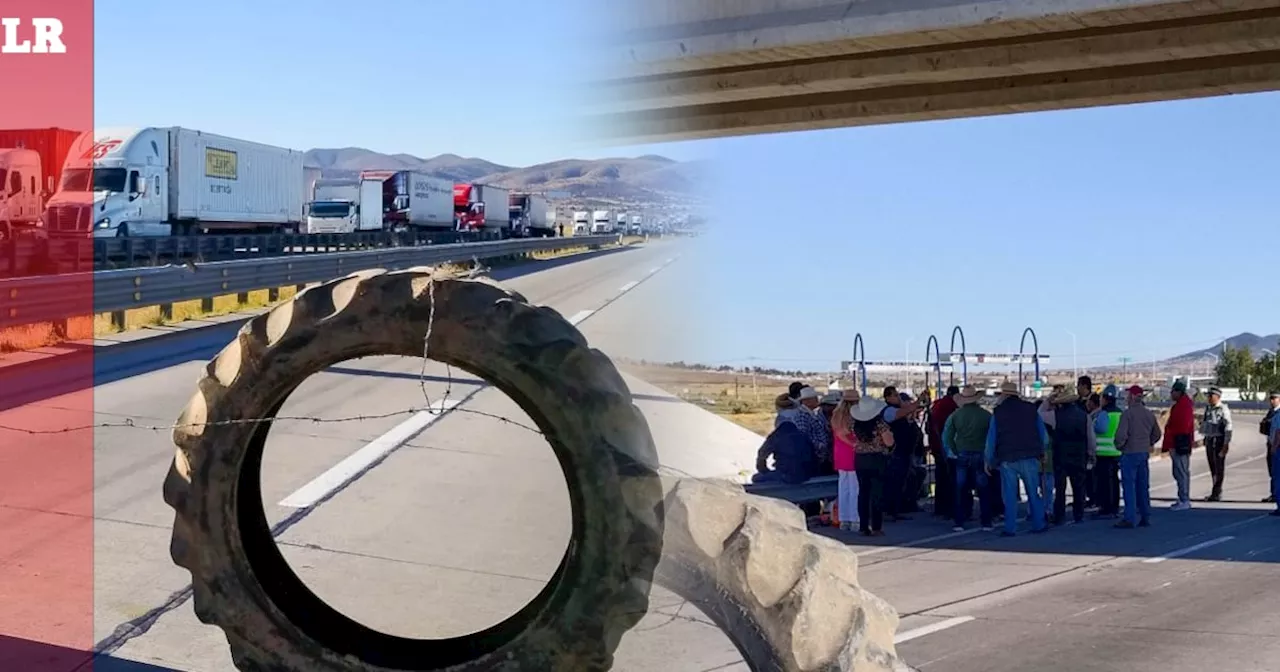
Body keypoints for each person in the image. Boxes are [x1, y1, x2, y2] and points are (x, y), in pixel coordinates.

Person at [984, 381, 1049, 537]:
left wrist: (988, 459)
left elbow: (991, 439)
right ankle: (1039, 523)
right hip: (1030, 456)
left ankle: (1010, 527)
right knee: (1033, 492)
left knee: (1010, 494)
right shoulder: (1031, 409)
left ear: (1005, 395)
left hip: (1007, 458)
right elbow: (1043, 434)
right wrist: (1043, 451)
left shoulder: (998, 413)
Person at [942, 385, 993, 531]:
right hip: (980, 453)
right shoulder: (986, 415)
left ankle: (959, 521)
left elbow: (947, 436)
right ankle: (986, 522)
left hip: (962, 453)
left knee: (960, 488)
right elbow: (992, 436)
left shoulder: (956, 415)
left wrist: (953, 451)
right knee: (983, 488)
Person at [1113, 385, 1161, 529]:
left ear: (1133, 396)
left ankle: (1129, 518)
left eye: (1128, 395)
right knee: (1142, 486)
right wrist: (1148, 442)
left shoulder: (1127, 414)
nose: (1126, 398)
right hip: (1143, 453)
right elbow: (1157, 434)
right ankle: (1145, 516)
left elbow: (1121, 435)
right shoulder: (1149, 414)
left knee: (1129, 487)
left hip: (1129, 453)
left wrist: (1120, 445)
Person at [1046, 388, 1094, 525]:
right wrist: (1091, 453)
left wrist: (1049, 401)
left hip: (1061, 455)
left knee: (1060, 488)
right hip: (1079, 454)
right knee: (1079, 487)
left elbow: (1039, 414)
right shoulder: (1084, 416)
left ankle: (1059, 516)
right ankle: (1079, 514)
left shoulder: (1055, 415)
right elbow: (1090, 437)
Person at [852, 394, 895, 536]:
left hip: (860, 459)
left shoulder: (855, 424)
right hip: (877, 459)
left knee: (863, 493)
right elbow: (888, 441)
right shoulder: (880, 424)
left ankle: (863, 526)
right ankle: (876, 526)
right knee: (876, 493)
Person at [880, 386, 922, 522]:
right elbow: (905, 411)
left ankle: (896, 508)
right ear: (887, 397)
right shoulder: (890, 411)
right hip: (896, 453)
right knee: (894, 481)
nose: (897, 397)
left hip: (903, 452)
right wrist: (918, 401)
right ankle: (890, 510)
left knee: (900, 481)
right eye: (895, 395)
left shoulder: (896, 410)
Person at [754, 394, 817, 484]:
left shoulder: (777, 435)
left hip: (785, 475)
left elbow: (762, 453)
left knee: (756, 478)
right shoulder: (803, 434)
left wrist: (764, 470)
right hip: (804, 475)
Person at [830, 388, 861, 530]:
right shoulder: (854, 415)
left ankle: (844, 519)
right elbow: (846, 434)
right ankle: (855, 518)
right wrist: (855, 444)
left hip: (840, 452)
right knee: (855, 487)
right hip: (852, 451)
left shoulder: (836, 415)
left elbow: (838, 433)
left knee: (843, 486)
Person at [1162, 379, 1196, 510]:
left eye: (1173, 391)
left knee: (1181, 471)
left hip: (1180, 444)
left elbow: (1181, 426)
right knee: (1179, 471)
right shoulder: (1181, 405)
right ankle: (1182, 497)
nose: (1171, 394)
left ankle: (1184, 498)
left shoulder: (1183, 406)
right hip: (1178, 442)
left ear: (1178, 392)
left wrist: (1172, 439)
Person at [1091, 385, 1123, 519]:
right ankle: (1114, 507)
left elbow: (1100, 429)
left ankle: (1106, 508)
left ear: (1105, 399)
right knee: (1114, 482)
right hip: (1116, 452)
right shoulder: (1120, 413)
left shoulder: (1104, 414)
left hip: (1104, 453)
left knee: (1104, 483)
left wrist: (1092, 423)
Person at [929, 385, 961, 520]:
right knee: (952, 479)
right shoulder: (954, 407)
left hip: (936, 445)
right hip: (949, 447)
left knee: (941, 477)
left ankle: (940, 507)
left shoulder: (936, 405)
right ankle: (951, 508)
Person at [1200, 386, 1234, 502]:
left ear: (1217, 397)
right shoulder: (1209, 408)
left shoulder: (1223, 409)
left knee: (1219, 468)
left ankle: (1217, 492)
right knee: (1212, 467)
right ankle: (1215, 491)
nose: (1208, 398)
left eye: (1211, 396)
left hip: (1219, 441)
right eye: (1208, 396)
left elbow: (1228, 426)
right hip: (1210, 440)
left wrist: (1226, 444)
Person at [1264, 391, 1279, 504]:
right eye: (1271, 399)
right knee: (1272, 471)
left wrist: (1274, 445)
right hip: (1270, 443)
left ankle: (1276, 495)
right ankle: (1274, 494)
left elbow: (1278, 431)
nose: (1272, 401)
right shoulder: (1271, 412)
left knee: (1277, 472)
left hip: (1277, 446)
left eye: (1275, 398)